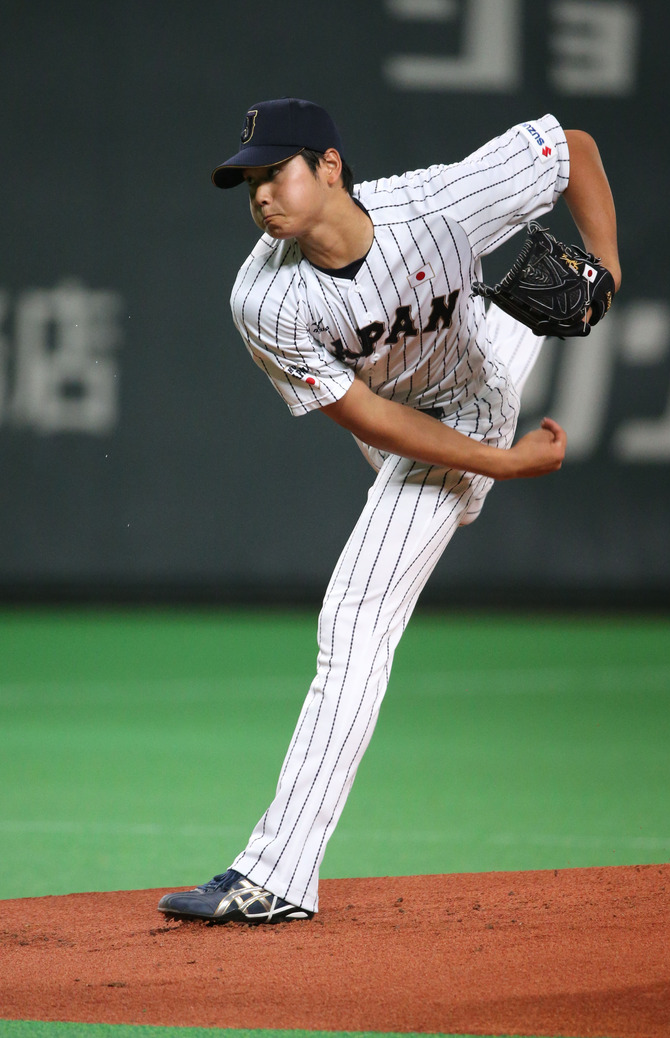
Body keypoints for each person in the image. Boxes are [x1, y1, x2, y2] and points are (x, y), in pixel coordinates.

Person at [158, 97, 621, 925]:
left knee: (354, 620)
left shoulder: (439, 205)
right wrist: (506, 468)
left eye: (277, 170)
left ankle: (277, 877)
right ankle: (480, 458)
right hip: (407, 419)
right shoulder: (264, 299)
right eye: (249, 180)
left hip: (472, 391)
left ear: (329, 166)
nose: (260, 193)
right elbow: (372, 423)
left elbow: (573, 149)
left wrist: (607, 269)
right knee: (463, 384)